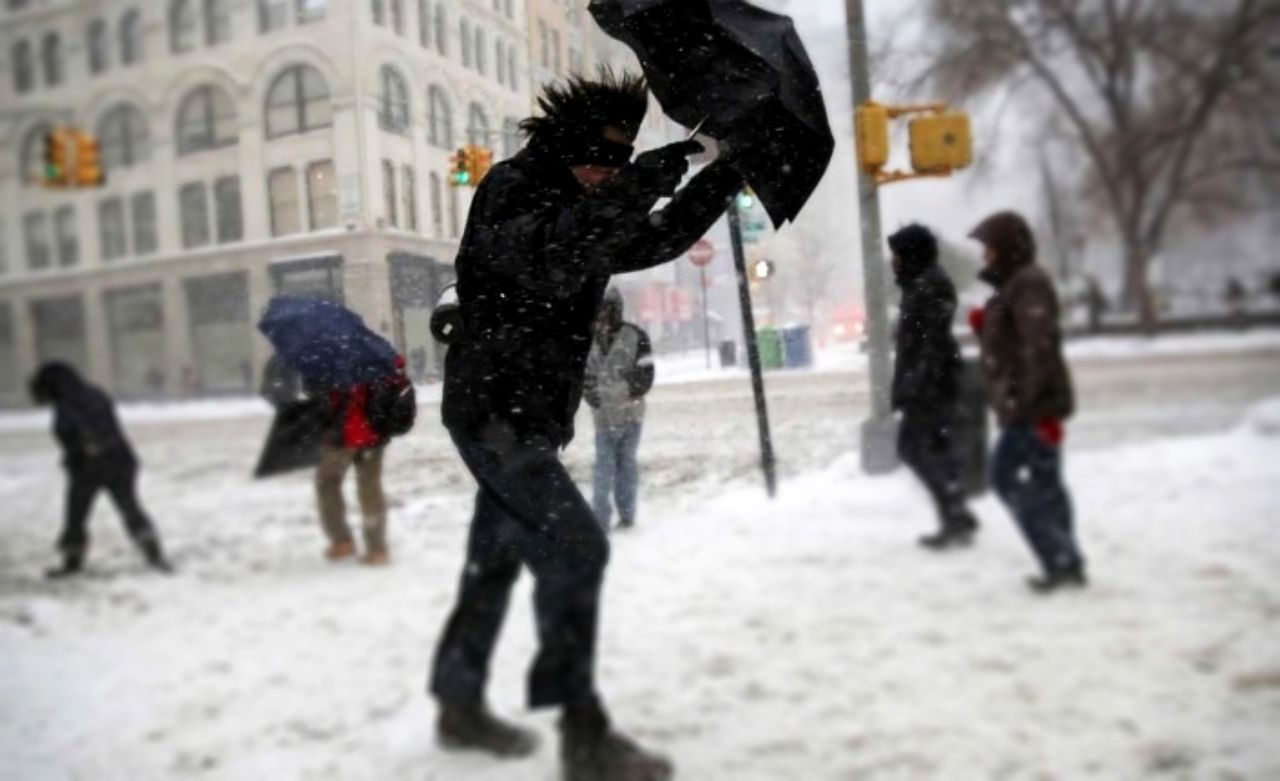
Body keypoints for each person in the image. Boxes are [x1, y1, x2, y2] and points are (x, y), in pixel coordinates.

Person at [430, 69, 743, 781]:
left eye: (622, 160)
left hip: (531, 417)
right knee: (576, 550)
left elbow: (657, 237)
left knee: (494, 560)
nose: (610, 172)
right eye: (602, 158)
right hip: (493, 414)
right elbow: (552, 254)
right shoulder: (513, 189)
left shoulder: (587, 203)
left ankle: (457, 701)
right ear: (566, 143)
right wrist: (649, 176)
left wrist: (727, 173)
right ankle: (582, 732)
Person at [969, 211, 1087, 593]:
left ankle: (1058, 556)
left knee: (1003, 477)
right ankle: (1066, 560)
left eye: (989, 248)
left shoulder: (1027, 283)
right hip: (1032, 406)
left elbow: (1038, 347)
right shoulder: (1015, 284)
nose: (984, 255)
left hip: (1031, 409)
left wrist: (1027, 403)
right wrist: (986, 326)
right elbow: (1016, 339)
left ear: (1005, 248)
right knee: (1046, 483)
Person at [28, 362, 172, 578]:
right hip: (120, 459)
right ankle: (155, 556)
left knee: (76, 516)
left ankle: (72, 562)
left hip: (88, 466)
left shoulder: (66, 405)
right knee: (130, 508)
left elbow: (73, 431)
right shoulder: (96, 395)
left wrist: (81, 450)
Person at [888, 224, 979, 550]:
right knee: (937, 449)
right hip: (933, 383)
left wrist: (914, 385)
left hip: (929, 387)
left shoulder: (927, 288)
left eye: (897, 254)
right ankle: (957, 514)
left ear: (911, 254)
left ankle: (954, 512)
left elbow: (929, 345)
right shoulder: (923, 285)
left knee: (912, 448)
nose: (893, 261)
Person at [261, 354, 396, 566]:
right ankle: (377, 548)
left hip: (343, 431)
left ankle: (342, 540)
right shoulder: (365, 347)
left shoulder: (312, 353)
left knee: (327, 482)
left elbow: (285, 391)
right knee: (369, 485)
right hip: (373, 427)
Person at [584, 288, 655, 532]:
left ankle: (627, 514)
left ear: (615, 309)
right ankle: (600, 519)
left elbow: (647, 373)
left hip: (630, 415)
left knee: (626, 465)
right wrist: (594, 399)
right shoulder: (589, 340)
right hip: (603, 418)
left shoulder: (636, 336)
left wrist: (629, 392)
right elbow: (584, 377)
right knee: (603, 468)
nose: (602, 314)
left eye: (606, 308)